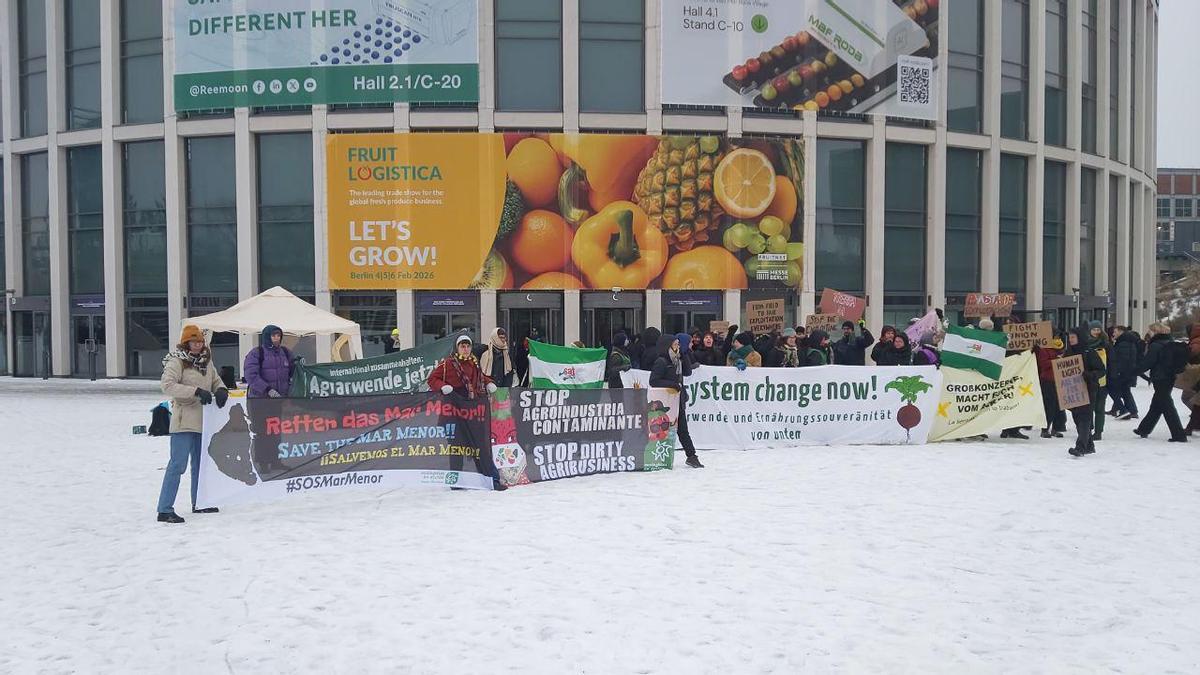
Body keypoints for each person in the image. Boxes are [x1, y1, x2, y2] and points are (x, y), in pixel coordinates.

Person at [157, 324, 230, 524]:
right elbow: (167, 385)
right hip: (183, 421)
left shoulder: (207, 362)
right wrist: (195, 391)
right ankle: (164, 508)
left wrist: (222, 389)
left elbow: (215, 380)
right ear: (186, 342)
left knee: (201, 465)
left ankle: (200, 502)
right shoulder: (177, 361)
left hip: (203, 422)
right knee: (177, 465)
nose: (197, 345)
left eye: (199, 341)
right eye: (194, 341)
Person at [649, 333, 704, 468]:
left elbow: (687, 372)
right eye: (675, 344)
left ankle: (691, 456)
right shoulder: (661, 362)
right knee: (662, 430)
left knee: (683, 430)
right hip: (666, 402)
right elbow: (653, 381)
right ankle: (658, 456)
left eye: (678, 344)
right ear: (668, 346)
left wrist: (684, 355)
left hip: (678, 401)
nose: (677, 346)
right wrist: (672, 384)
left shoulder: (677, 360)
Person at [1134, 323, 1188, 442]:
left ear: (1155, 332)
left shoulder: (1156, 345)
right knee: (1157, 404)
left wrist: (1134, 370)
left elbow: (1148, 362)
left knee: (1167, 406)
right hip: (1170, 376)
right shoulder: (1170, 342)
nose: (1149, 333)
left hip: (1160, 378)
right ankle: (1144, 428)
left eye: (1150, 331)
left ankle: (1179, 435)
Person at [1066, 327, 1106, 457]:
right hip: (1072, 391)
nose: (1071, 340)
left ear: (1080, 337)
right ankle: (1089, 445)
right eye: (1070, 337)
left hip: (1089, 389)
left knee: (1084, 417)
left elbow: (1101, 370)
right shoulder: (1069, 352)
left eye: (1073, 337)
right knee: (1077, 417)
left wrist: (1090, 375)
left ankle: (1081, 447)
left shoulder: (1089, 352)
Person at [427, 334, 497, 399]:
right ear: (457, 348)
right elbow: (432, 379)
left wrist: (488, 383)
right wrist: (442, 386)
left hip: (471, 401)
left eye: (468, 346)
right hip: (453, 402)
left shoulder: (473, 362)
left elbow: (478, 376)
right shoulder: (448, 363)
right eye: (463, 346)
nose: (466, 349)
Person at [244, 324, 295, 399]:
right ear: (267, 337)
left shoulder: (286, 352)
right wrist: (267, 389)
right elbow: (251, 375)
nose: (276, 338)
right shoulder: (256, 353)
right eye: (273, 336)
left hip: (282, 399)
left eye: (278, 336)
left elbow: (293, 372)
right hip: (260, 399)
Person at [1106, 326, 1141, 420]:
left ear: (1121, 332)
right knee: (1125, 391)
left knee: (1112, 389)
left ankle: (1124, 410)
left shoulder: (1123, 343)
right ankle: (1132, 411)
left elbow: (1121, 359)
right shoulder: (1126, 341)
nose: (1113, 334)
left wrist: (1117, 372)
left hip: (1122, 372)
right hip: (1128, 372)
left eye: (1115, 331)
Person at [1085, 321, 1112, 441]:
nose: (1096, 332)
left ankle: (1098, 431)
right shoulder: (1084, 344)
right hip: (1088, 381)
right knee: (1088, 408)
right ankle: (1087, 429)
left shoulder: (1106, 345)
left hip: (1103, 382)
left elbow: (1112, 362)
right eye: (1094, 329)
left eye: (1098, 329)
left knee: (1100, 408)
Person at [1036, 334, 1065, 439]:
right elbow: (1043, 364)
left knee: (1059, 406)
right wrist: (1056, 360)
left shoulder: (1062, 348)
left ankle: (1056, 428)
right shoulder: (1045, 350)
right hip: (1048, 381)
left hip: (1060, 381)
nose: (1057, 339)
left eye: (1058, 338)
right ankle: (1045, 429)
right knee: (1049, 406)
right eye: (1055, 337)